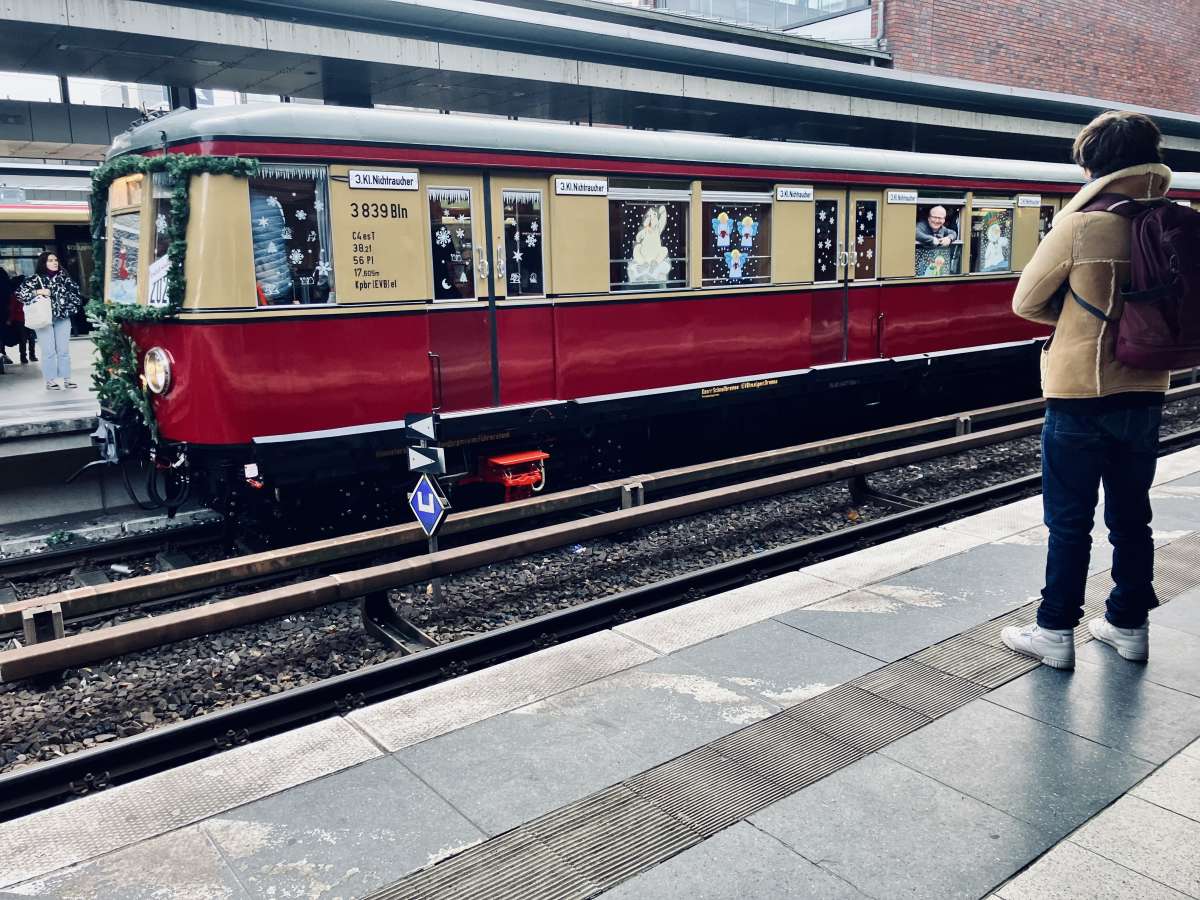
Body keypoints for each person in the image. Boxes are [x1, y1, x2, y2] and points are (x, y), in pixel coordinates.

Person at [1002, 110, 1171, 670]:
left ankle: (1054, 631)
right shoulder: (1175, 218)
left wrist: (1076, 318)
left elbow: (1026, 302)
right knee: (1132, 516)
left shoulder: (1081, 226)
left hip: (1081, 392)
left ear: (1093, 163)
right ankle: (1128, 625)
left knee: (1069, 521)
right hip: (1147, 386)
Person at [16, 251, 83, 390]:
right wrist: (38, 291)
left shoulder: (65, 278)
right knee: (48, 352)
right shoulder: (35, 279)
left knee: (63, 351)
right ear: (43, 263)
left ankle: (67, 379)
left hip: (62, 318)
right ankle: (50, 380)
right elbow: (20, 294)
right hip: (43, 319)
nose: (54, 262)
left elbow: (76, 295)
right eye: (50, 260)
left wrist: (68, 308)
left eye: (55, 260)